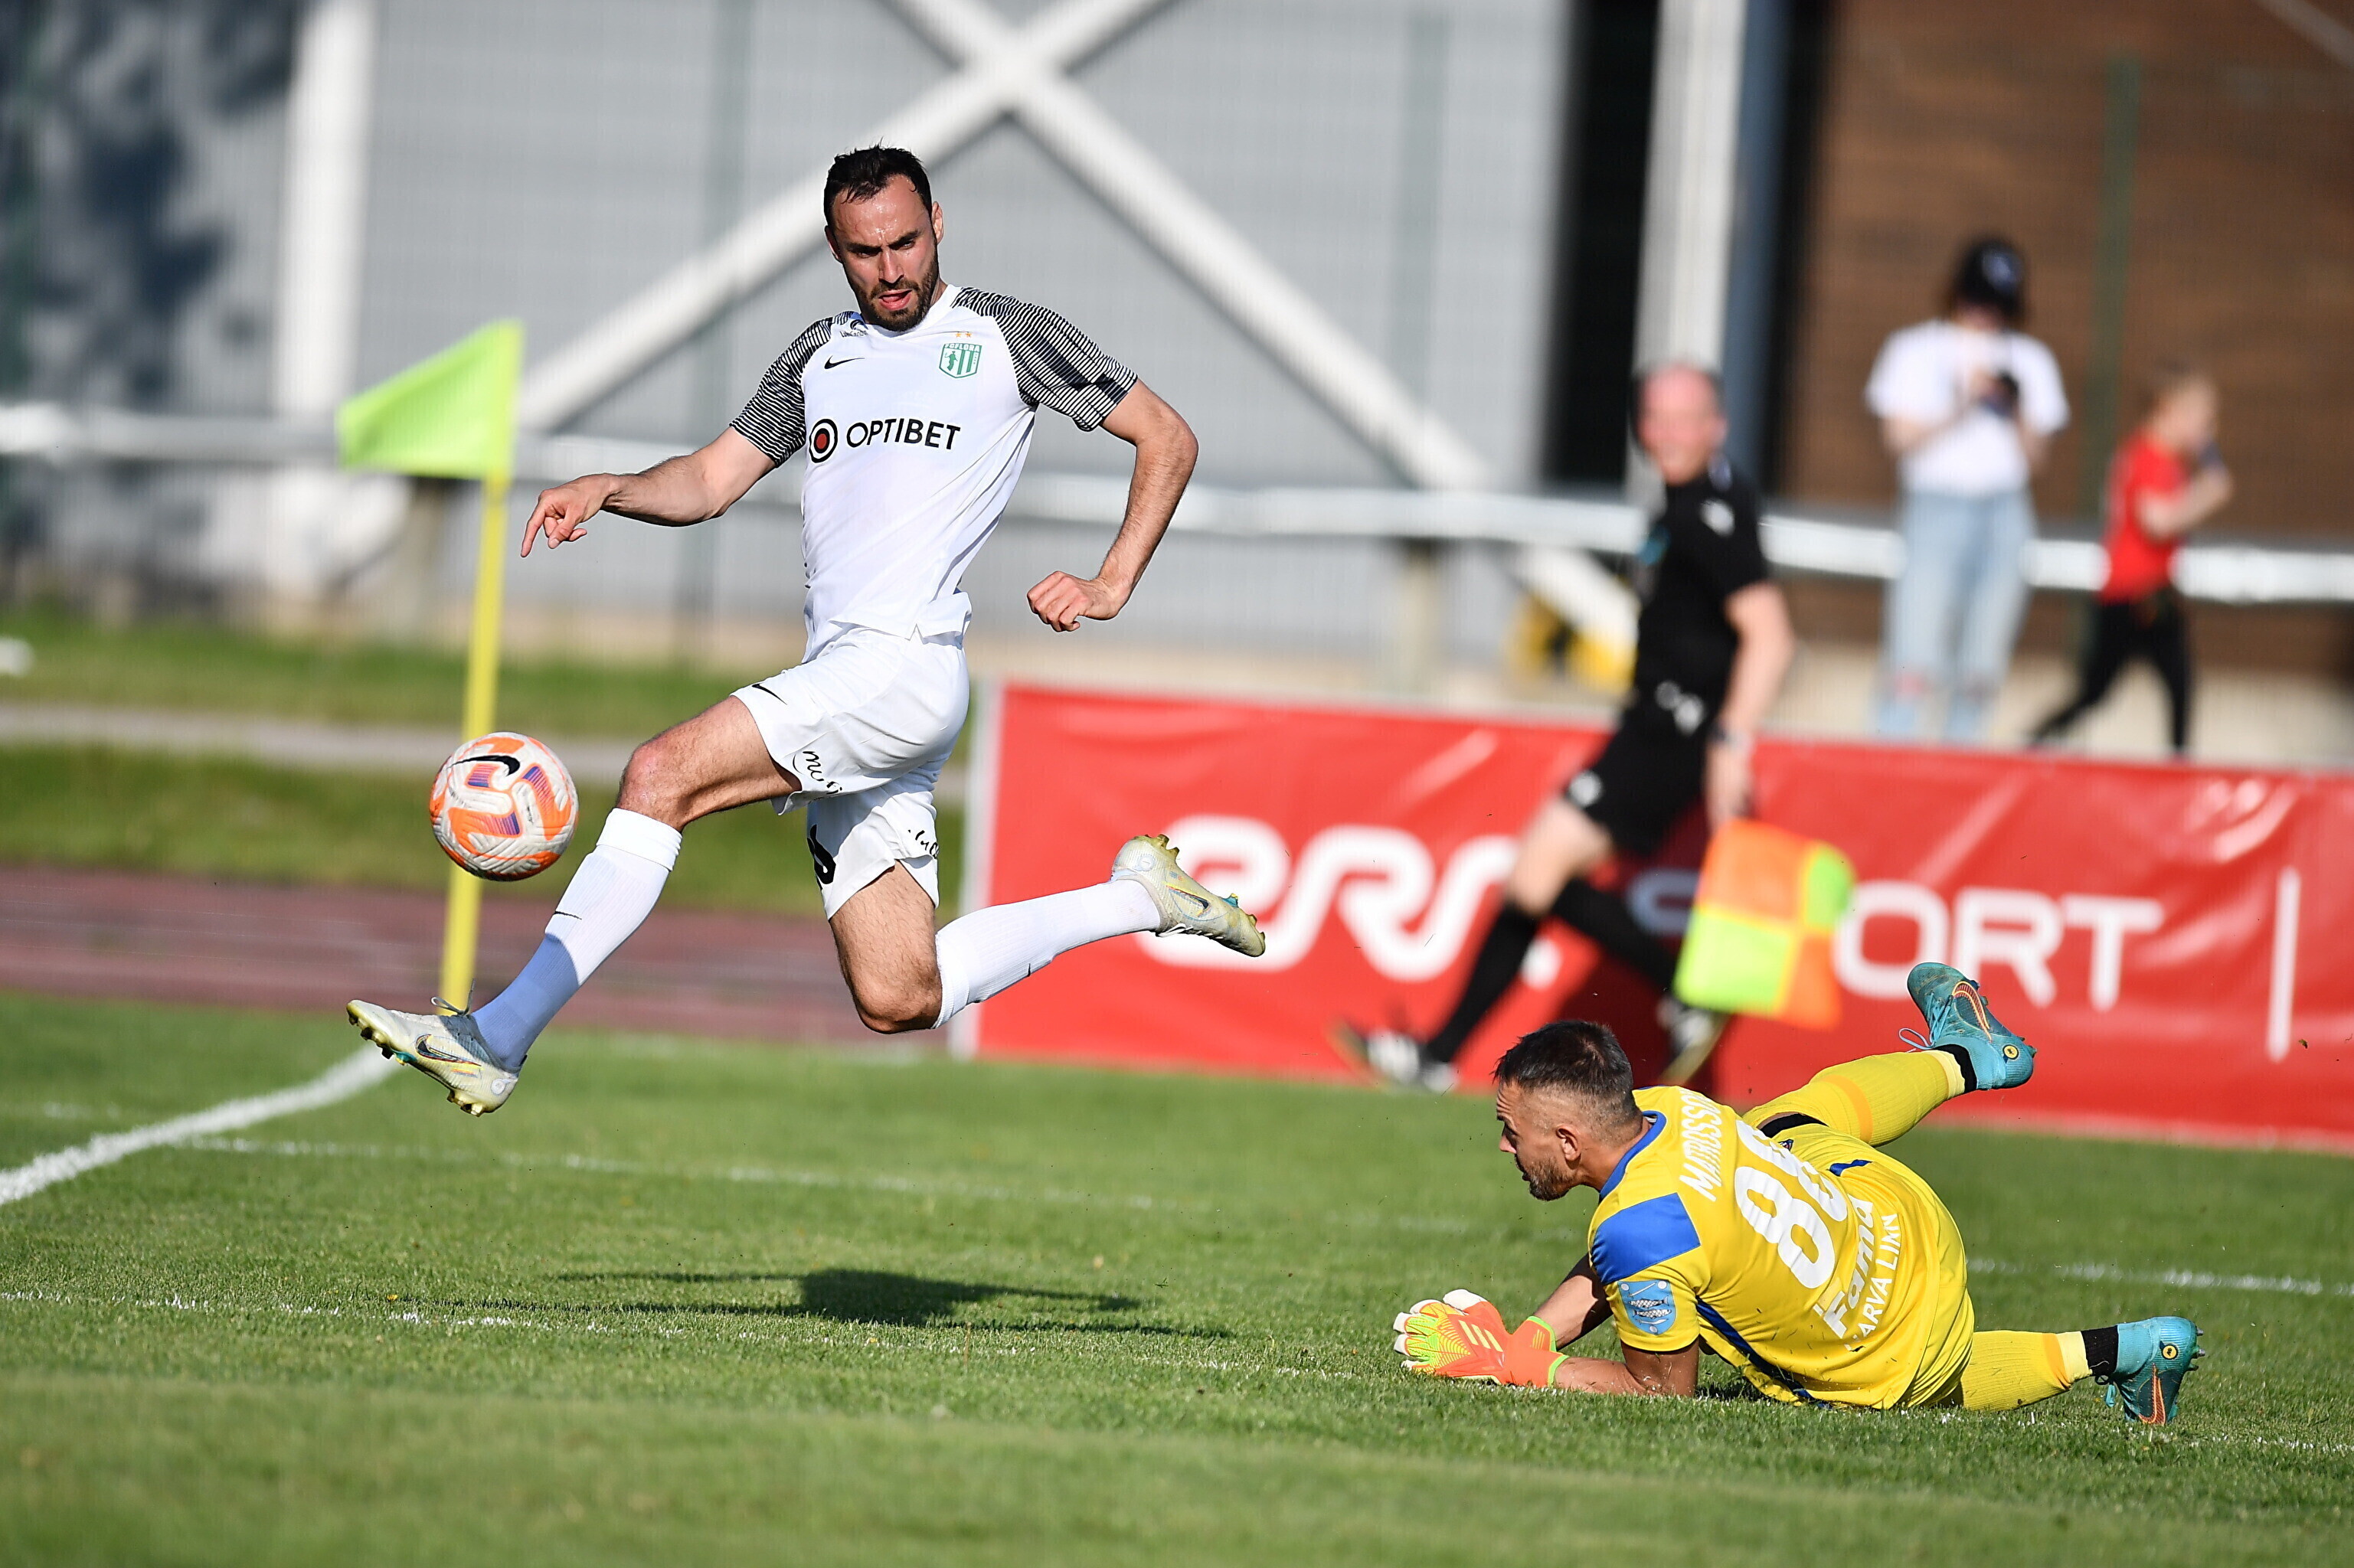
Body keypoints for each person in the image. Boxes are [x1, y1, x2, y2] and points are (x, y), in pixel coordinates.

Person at [347, 145, 1265, 1114]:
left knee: (661, 773)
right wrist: (611, 488)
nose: (891, 269)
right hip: (849, 674)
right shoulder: (817, 354)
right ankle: (1140, 897)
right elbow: (710, 479)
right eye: (865, 251)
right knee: (897, 993)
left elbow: (1165, 434)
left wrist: (1110, 581)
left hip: (900, 668)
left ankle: (496, 1037)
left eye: (905, 242)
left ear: (937, 223)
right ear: (834, 247)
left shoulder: (1008, 334)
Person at [1394, 963, 2204, 1422]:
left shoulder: (1640, 1231)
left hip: (1883, 1345)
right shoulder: (1671, 1108)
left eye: (1512, 1129)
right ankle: (1964, 1061)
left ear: (1569, 1142)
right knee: (1783, 1120)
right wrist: (1538, 1331)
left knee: (1929, 1370)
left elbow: (1661, 1390)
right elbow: (1628, 1247)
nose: (1503, 1144)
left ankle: (2117, 1349)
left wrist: (1519, 1366)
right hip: (1904, 1220)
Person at [1342, 363, 1794, 1093]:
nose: (1670, 434)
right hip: (1652, 727)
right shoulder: (1689, 502)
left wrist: (1730, 741)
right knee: (1535, 879)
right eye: (1657, 418)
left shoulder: (1708, 513)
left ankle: (1677, 992)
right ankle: (1439, 1055)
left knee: (1536, 874)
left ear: (1718, 426)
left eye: (1686, 419)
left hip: (1672, 737)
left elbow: (1770, 635)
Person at [1866, 237, 2069, 743]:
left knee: (1982, 660)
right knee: (1915, 652)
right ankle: (1894, 753)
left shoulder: (2030, 358)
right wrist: (1961, 404)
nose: (1984, 314)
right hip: (1935, 507)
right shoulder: (1914, 348)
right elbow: (1898, 440)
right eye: (1977, 299)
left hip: (2004, 511)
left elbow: (2038, 459)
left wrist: (2014, 406)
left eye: (1996, 304)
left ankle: (1964, 756)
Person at [2031, 364, 2231, 755]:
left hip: (2153, 592)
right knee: (2098, 691)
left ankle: (2177, 760)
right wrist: (2208, 494)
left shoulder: (2166, 460)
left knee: (2178, 684)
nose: (2208, 431)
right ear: (2170, 408)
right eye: (2202, 419)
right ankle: (2035, 745)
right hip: (2133, 595)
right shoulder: (2149, 456)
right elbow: (2156, 521)